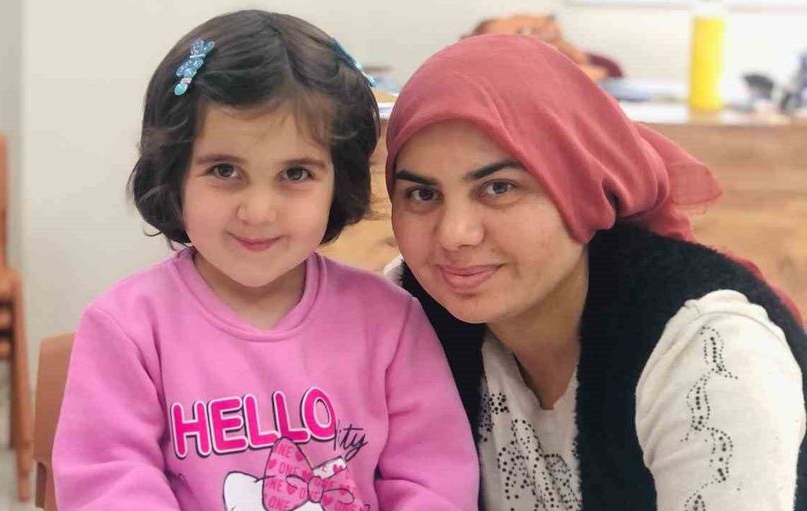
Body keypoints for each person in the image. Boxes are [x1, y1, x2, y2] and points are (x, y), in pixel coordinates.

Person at [52, 11, 478, 511]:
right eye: (224, 170)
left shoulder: (392, 322)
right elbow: (109, 485)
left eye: (295, 174)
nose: (258, 211)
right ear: (173, 175)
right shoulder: (126, 329)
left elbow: (435, 481)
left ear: (339, 183)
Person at [384, 34, 807, 510]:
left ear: (581, 189)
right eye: (422, 195)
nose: (454, 234)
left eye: (499, 188)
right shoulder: (406, 310)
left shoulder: (707, 354)